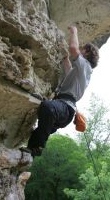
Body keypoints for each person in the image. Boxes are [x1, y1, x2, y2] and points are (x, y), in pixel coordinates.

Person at [20, 26, 99, 157]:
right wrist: (66, 59)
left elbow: (73, 48)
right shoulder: (81, 70)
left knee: (47, 107)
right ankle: (29, 155)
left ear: (87, 53)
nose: (80, 50)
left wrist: (74, 31)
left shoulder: (86, 65)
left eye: (82, 49)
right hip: (63, 109)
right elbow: (69, 72)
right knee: (38, 130)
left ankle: (38, 147)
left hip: (65, 108)